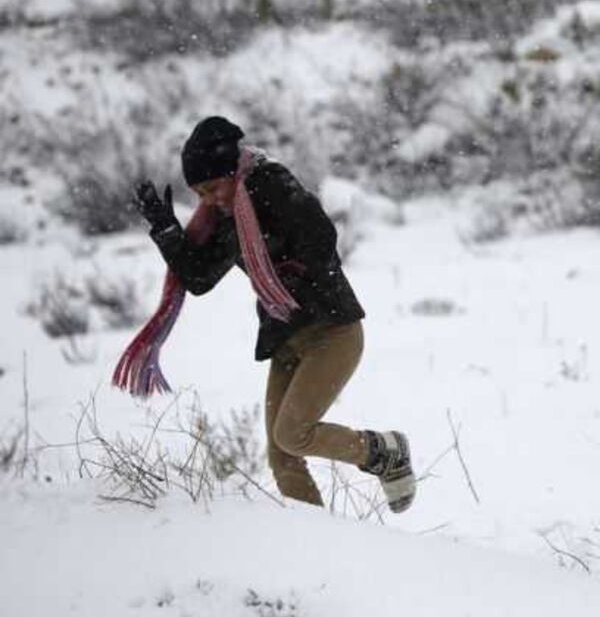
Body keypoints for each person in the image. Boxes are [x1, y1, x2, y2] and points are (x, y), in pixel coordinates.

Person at [118, 116, 415, 513]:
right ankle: (316, 545)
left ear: (231, 171)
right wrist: (166, 228)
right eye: (199, 193)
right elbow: (200, 277)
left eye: (212, 187)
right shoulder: (227, 219)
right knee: (282, 456)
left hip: (333, 332)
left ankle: (383, 451)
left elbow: (322, 236)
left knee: (293, 434)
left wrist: (290, 265)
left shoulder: (272, 184)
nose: (209, 200)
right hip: (286, 341)